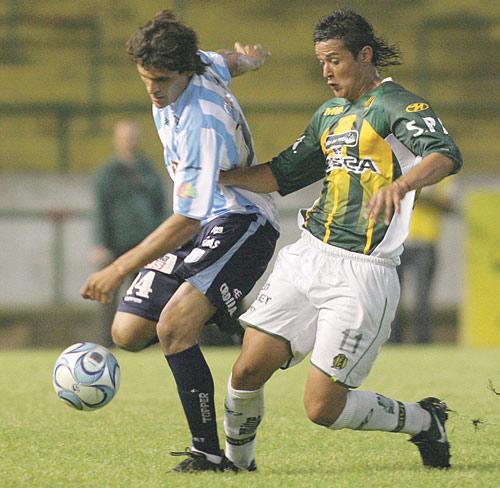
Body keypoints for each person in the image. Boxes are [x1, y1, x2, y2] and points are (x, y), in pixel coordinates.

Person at [219, 9, 462, 471]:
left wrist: (402, 185)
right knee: (247, 369)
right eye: (321, 62)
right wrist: (222, 178)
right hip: (308, 256)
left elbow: (445, 154)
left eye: (335, 60)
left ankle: (424, 420)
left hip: (363, 273)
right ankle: (235, 465)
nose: (327, 72)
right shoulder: (329, 114)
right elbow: (281, 174)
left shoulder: (397, 105)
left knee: (322, 408)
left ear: (364, 55)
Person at [80, 10, 279, 472]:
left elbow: (186, 221)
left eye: (161, 80)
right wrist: (248, 61)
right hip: (206, 221)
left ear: (184, 72)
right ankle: (221, 314)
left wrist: (117, 268)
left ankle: (207, 453)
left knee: (172, 328)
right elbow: (225, 60)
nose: (152, 89)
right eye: (145, 77)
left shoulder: (201, 124)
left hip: (241, 221)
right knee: (127, 332)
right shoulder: (198, 63)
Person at [91, 120, 167, 346]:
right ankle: (106, 342)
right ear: (116, 139)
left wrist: (162, 240)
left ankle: (144, 341)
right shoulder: (108, 173)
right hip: (116, 244)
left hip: (144, 243)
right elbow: (100, 210)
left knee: (145, 296)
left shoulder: (148, 169)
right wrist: (100, 243)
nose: (129, 141)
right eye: (125, 137)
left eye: (132, 136)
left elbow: (160, 205)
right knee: (107, 296)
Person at [391, 180, 455, 344]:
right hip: (399, 241)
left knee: (422, 298)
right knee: (393, 296)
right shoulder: (401, 169)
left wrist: (417, 193)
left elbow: (449, 205)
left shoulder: (443, 174)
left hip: (426, 242)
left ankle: (422, 342)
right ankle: (393, 342)